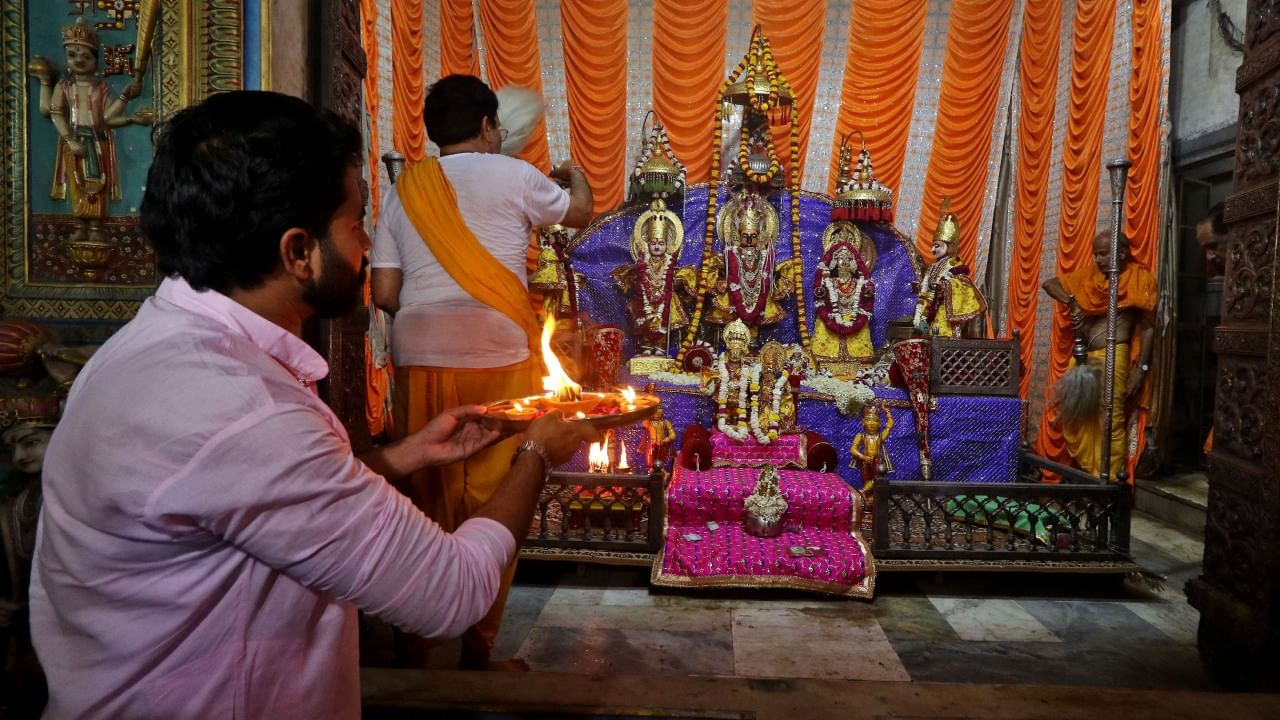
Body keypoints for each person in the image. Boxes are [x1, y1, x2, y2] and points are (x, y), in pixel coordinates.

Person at [28, 90, 597, 718]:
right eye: (356, 225)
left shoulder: (156, 346)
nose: (362, 245)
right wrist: (539, 453)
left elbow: (259, 500)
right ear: (298, 252)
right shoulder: (241, 407)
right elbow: (452, 591)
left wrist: (398, 457)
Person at [370, 74, 592, 670]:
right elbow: (578, 214)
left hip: (419, 350)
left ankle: (413, 644)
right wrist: (575, 175)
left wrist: (435, 308)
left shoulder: (404, 187)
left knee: (423, 493)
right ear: (491, 127)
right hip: (497, 347)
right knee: (497, 487)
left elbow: (386, 291)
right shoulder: (515, 174)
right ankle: (479, 647)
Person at [1043, 230, 1156, 478]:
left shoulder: (1138, 279)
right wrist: (1072, 301)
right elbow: (1049, 284)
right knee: (1074, 415)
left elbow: (1149, 329)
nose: (1098, 259)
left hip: (1114, 354)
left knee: (1110, 418)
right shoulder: (1089, 279)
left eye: (1104, 254)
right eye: (1096, 254)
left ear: (1123, 253)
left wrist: (1141, 369)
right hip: (1083, 357)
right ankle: (1090, 474)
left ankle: (1109, 483)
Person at [28, 17, 151, 245]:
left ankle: (96, 226)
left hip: (97, 141)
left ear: (96, 60)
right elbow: (55, 112)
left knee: (98, 183)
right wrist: (69, 139)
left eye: (86, 56)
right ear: (66, 58)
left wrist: (127, 104)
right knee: (77, 182)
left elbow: (108, 118)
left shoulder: (101, 87)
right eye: (73, 55)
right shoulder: (64, 86)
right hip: (73, 139)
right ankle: (80, 225)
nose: (79, 61)